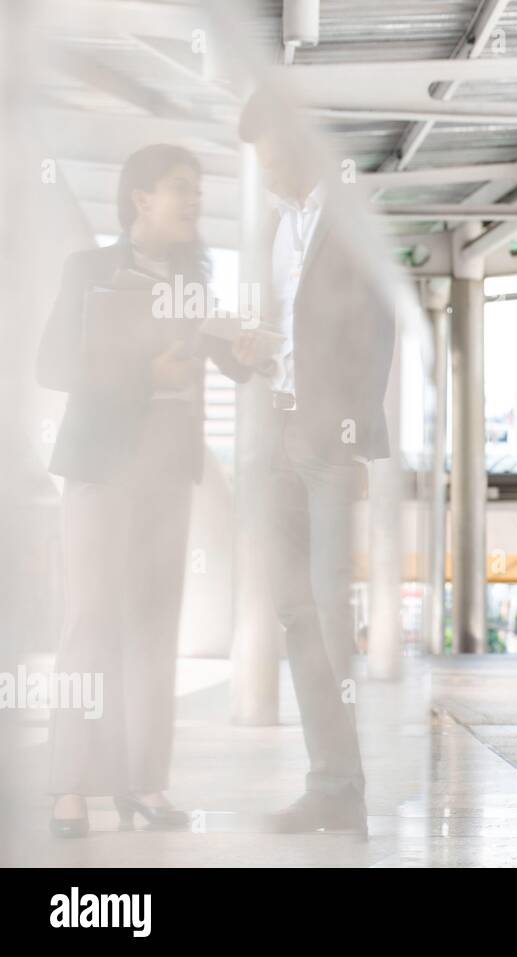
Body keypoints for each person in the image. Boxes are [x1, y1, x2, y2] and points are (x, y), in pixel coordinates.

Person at [38, 143, 258, 837]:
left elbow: (221, 357)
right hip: (101, 472)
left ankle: (146, 783)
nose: (194, 200)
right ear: (141, 199)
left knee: (154, 631)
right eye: (181, 188)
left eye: (197, 189)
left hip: (167, 476)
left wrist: (241, 355)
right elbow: (51, 364)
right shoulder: (90, 270)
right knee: (91, 624)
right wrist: (144, 375)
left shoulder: (196, 280)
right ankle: (69, 786)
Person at [237, 86, 394, 835]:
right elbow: (287, 330)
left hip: (329, 442)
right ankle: (328, 782)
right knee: (296, 611)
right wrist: (251, 349)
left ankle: (349, 783)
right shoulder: (275, 225)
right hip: (279, 434)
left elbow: (378, 327)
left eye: (268, 148)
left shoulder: (350, 220)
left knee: (331, 613)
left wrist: (356, 435)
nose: (263, 166)